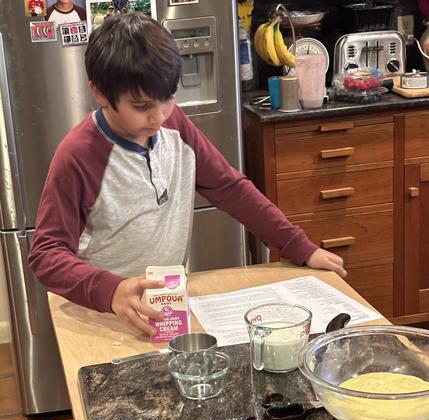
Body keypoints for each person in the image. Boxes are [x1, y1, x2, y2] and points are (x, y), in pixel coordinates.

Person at [29, 13, 346, 338]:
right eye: (141, 106)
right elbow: (46, 253)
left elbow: (229, 187)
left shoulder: (174, 124)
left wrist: (299, 246)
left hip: (166, 308)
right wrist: (110, 291)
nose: (158, 116)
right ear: (99, 93)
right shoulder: (79, 154)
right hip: (105, 317)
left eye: (167, 98)